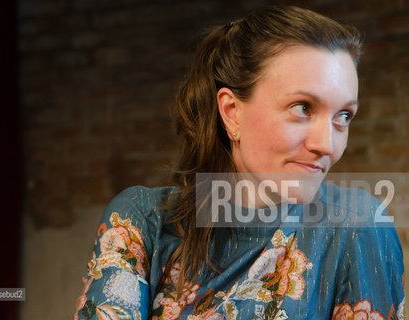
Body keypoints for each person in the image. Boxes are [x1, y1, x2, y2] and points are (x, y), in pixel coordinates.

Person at [73, 5, 405, 320]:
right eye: (302, 108)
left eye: (344, 115)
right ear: (232, 112)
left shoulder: (357, 227)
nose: (326, 145)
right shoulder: (142, 221)